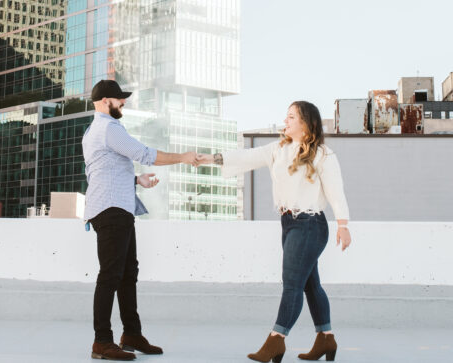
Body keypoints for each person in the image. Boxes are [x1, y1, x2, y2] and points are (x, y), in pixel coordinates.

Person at [197, 101, 351, 363]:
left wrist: (343, 225)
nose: (286, 121)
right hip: (289, 224)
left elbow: (336, 192)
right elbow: (248, 157)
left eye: (291, 117)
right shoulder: (278, 149)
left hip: (311, 225)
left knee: (292, 283)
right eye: (286, 116)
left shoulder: (323, 154)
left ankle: (276, 340)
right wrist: (213, 158)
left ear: (305, 123)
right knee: (310, 284)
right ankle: (326, 338)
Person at [83, 79, 200, 361]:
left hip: (116, 207)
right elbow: (145, 154)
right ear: (104, 102)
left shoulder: (94, 131)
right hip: (112, 210)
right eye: (119, 99)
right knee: (111, 275)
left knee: (127, 274)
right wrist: (183, 157)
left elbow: (103, 169)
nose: (123, 103)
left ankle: (132, 334)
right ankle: (102, 341)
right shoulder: (108, 128)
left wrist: (135, 179)